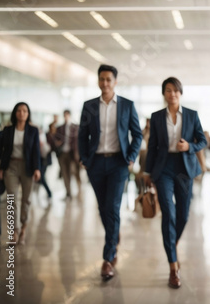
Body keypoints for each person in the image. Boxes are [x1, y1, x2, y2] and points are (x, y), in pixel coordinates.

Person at [78, 64, 142, 280]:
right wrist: (84, 158)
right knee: (103, 207)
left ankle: (108, 258)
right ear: (98, 81)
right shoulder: (89, 106)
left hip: (118, 163)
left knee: (113, 207)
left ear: (115, 81)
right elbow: (82, 135)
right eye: (102, 79)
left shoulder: (126, 105)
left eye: (109, 79)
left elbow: (137, 134)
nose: (105, 83)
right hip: (95, 163)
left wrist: (131, 157)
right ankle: (114, 235)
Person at [143, 77, 206, 289]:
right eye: (168, 91)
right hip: (163, 168)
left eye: (176, 91)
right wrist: (147, 171)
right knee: (168, 213)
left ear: (181, 93)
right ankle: (173, 266)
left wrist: (189, 146)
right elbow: (152, 146)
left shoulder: (191, 115)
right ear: (164, 93)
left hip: (184, 167)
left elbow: (202, 141)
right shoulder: (157, 117)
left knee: (183, 215)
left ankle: (172, 242)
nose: (172, 94)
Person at [0, 102, 41, 245]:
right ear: (15, 113)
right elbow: (3, 151)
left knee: (26, 200)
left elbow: (36, 151)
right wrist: (1, 168)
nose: (21, 113)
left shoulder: (33, 131)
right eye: (19, 110)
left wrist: (37, 169)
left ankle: (24, 226)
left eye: (24, 111)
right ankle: (14, 231)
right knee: (12, 198)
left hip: (28, 167)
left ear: (28, 114)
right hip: (11, 166)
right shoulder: (8, 130)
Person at [55, 110, 81, 199]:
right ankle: (68, 193)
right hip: (62, 154)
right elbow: (55, 140)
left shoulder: (75, 127)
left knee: (72, 173)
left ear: (69, 115)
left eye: (67, 115)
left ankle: (77, 190)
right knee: (65, 173)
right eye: (64, 115)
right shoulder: (60, 128)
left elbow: (78, 141)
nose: (66, 117)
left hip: (72, 154)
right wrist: (58, 143)